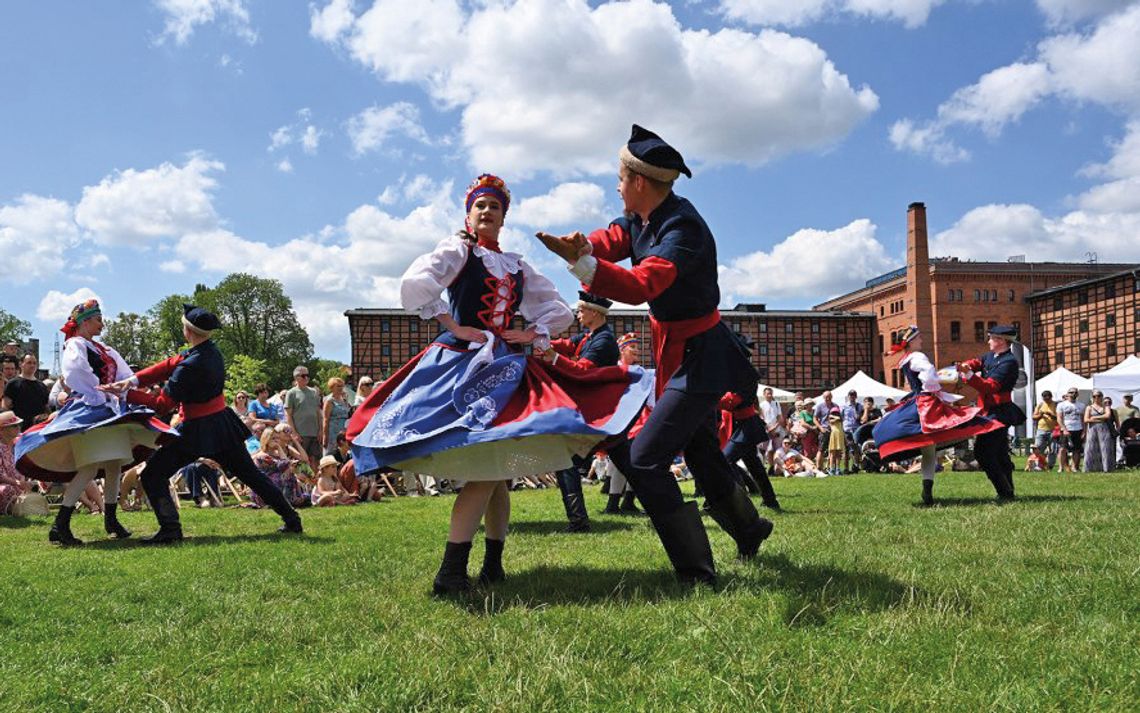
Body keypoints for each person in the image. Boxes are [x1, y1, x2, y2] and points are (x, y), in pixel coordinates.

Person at [348, 173, 650, 595]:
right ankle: (450, 574)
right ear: (469, 215)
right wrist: (454, 324)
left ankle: (492, 565)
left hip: (507, 370)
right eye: (480, 206)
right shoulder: (458, 250)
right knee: (487, 472)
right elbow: (417, 285)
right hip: (463, 365)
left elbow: (558, 311)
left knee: (498, 471)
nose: (487, 212)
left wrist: (529, 335)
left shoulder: (517, 265)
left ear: (504, 219)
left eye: (495, 207)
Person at [536, 125, 773, 583]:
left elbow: (640, 284)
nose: (617, 187)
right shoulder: (643, 217)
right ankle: (750, 529)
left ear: (640, 182)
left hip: (702, 353)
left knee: (644, 457)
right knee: (702, 448)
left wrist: (581, 264)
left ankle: (696, 571)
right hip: (682, 350)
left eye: (621, 179)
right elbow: (612, 238)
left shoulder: (682, 229)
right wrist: (582, 245)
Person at [103, 304, 304, 543]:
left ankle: (170, 528)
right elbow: (167, 365)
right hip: (221, 424)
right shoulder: (210, 352)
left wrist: (125, 395)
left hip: (196, 429)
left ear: (188, 331)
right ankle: (292, 520)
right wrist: (131, 381)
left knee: (153, 474)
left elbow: (162, 404)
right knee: (251, 475)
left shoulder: (190, 365)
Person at [15, 300, 178, 545]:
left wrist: (124, 392)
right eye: (98, 318)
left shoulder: (106, 349)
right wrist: (99, 393)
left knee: (114, 464)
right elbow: (76, 372)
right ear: (85, 322)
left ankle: (110, 519)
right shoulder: (76, 344)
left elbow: (125, 376)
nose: (102, 323)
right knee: (90, 467)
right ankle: (61, 524)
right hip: (91, 409)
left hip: (111, 410)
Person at [875, 325, 1005, 506]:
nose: (921, 340)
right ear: (911, 341)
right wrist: (934, 389)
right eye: (919, 338)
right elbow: (928, 374)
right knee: (958, 421)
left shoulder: (905, 359)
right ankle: (927, 490)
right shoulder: (917, 356)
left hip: (916, 400)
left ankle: (927, 491)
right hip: (925, 401)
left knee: (928, 448)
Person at [541, 291, 624, 532]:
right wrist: (537, 339)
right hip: (599, 413)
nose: (577, 313)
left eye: (581, 309)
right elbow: (567, 345)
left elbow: (582, 370)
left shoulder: (604, 340)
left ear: (595, 313)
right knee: (634, 467)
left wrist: (552, 356)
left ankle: (579, 522)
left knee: (568, 461)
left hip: (602, 413)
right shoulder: (591, 336)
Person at [957, 324, 1027, 502]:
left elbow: (991, 387)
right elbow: (978, 361)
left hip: (999, 412)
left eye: (991, 338)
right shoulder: (991, 355)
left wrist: (970, 376)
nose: (988, 341)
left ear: (1001, 341)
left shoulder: (1009, 362)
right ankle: (1007, 491)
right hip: (989, 410)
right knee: (1000, 453)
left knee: (983, 453)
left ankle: (1004, 491)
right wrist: (966, 365)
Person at [718, 386, 780, 510]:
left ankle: (737, 500)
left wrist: (708, 396)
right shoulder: (736, 377)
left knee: (725, 461)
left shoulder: (746, 378)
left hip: (746, 428)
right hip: (742, 428)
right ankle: (770, 500)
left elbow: (729, 402)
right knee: (754, 465)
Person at [285, 366, 323, 471]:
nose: (306, 378)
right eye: (303, 376)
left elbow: (318, 413)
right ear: (296, 378)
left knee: (315, 459)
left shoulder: (314, 392)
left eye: (308, 375)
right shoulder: (291, 393)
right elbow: (288, 415)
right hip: (301, 434)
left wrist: (320, 430)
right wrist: (294, 433)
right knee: (300, 460)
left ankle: (315, 483)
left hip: (314, 433)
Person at [3, 353, 49, 429]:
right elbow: (6, 408)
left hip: (38, 430)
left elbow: (46, 408)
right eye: (29, 363)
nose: (32, 365)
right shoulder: (12, 384)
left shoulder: (42, 386)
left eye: (34, 363)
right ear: (21, 364)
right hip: (19, 431)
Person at [1, 410, 31, 515]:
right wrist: (17, 483)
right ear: (2, 430)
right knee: (6, 489)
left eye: (19, 425)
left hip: (18, 484)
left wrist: (22, 480)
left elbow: (22, 466)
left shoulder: (18, 444)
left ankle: (19, 508)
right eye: (14, 426)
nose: (18, 427)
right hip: (7, 485)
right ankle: (13, 510)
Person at [1082, 390, 1114, 472]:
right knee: (1090, 448)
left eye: (1099, 396)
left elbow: (1107, 415)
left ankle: (1106, 468)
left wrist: (1094, 418)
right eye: (1094, 396)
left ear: (1102, 397)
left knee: (1105, 448)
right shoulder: (1089, 407)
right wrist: (1100, 419)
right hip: (1092, 429)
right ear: (1092, 397)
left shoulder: (1105, 407)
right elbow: (1086, 419)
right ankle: (1089, 468)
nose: (1096, 398)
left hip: (1104, 429)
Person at [1056, 387, 1086, 473]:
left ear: (1077, 394)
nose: (1073, 394)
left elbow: (1082, 419)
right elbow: (1059, 418)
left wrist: (1084, 431)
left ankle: (1074, 467)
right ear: (1067, 394)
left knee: (1076, 449)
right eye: (1071, 392)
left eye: (1075, 392)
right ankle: (1061, 467)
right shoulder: (1061, 405)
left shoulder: (1081, 405)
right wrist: (1064, 429)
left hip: (1078, 429)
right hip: (1066, 429)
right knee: (1062, 449)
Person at [321, 377, 353, 457]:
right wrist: (325, 436)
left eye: (342, 386)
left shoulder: (344, 400)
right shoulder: (329, 401)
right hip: (332, 433)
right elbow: (325, 419)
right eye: (338, 386)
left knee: (343, 454)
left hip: (343, 432)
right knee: (332, 454)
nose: (341, 388)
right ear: (332, 387)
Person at [758, 387, 785, 474]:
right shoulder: (761, 405)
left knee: (778, 450)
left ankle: (777, 469)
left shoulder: (776, 403)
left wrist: (775, 427)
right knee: (767, 450)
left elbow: (780, 417)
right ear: (764, 395)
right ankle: (768, 467)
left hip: (777, 430)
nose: (769, 395)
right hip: (766, 431)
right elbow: (761, 419)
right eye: (767, 394)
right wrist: (769, 429)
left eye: (770, 393)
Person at [1032, 390, 1059, 471]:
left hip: (1053, 430)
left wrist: (1051, 415)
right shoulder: (1040, 405)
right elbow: (1034, 417)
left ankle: (1050, 466)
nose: (1047, 400)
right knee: (1038, 448)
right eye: (1045, 398)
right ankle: (1038, 465)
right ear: (1043, 398)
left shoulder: (1056, 405)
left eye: (1048, 398)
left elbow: (1059, 417)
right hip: (1041, 430)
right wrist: (1041, 415)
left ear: (1051, 397)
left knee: (1053, 449)